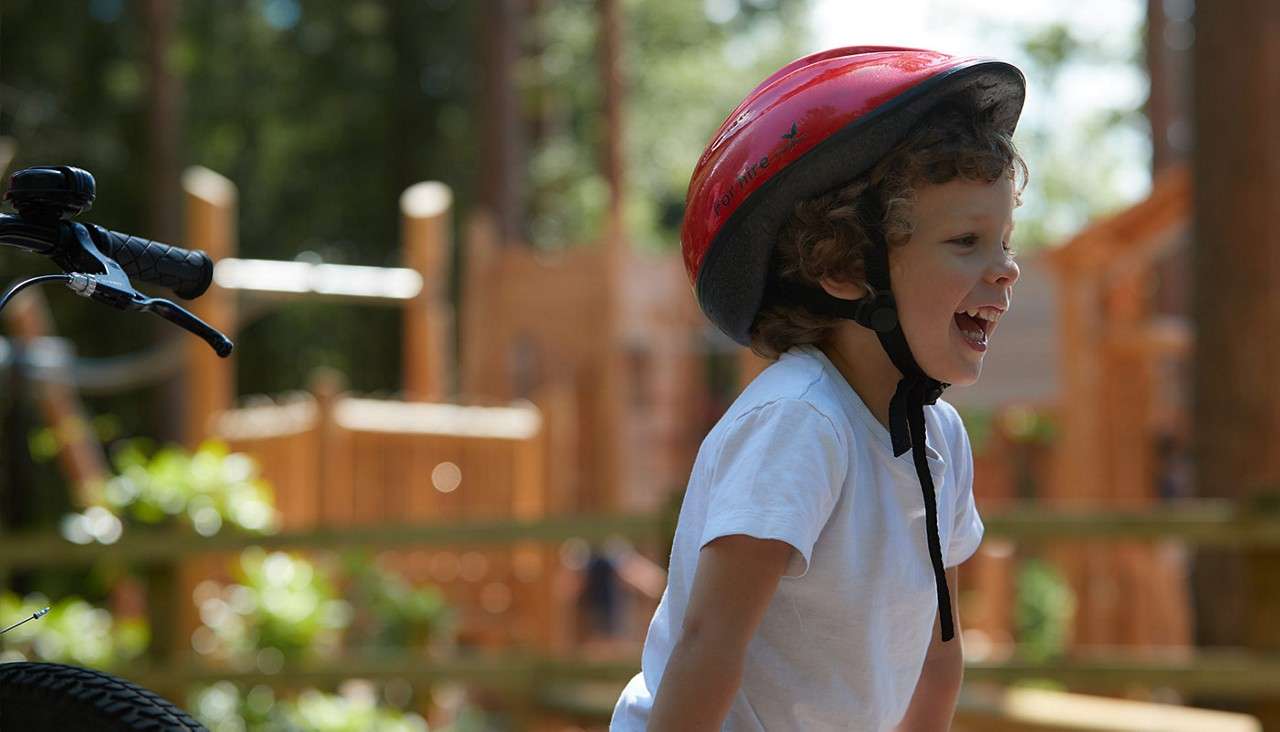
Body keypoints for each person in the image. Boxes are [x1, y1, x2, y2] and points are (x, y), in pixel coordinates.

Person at [610, 47, 1028, 731]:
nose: (1006, 268)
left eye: (1004, 240)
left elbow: (936, 657)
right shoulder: (802, 421)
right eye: (966, 241)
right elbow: (710, 646)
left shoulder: (938, 439)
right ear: (843, 269)